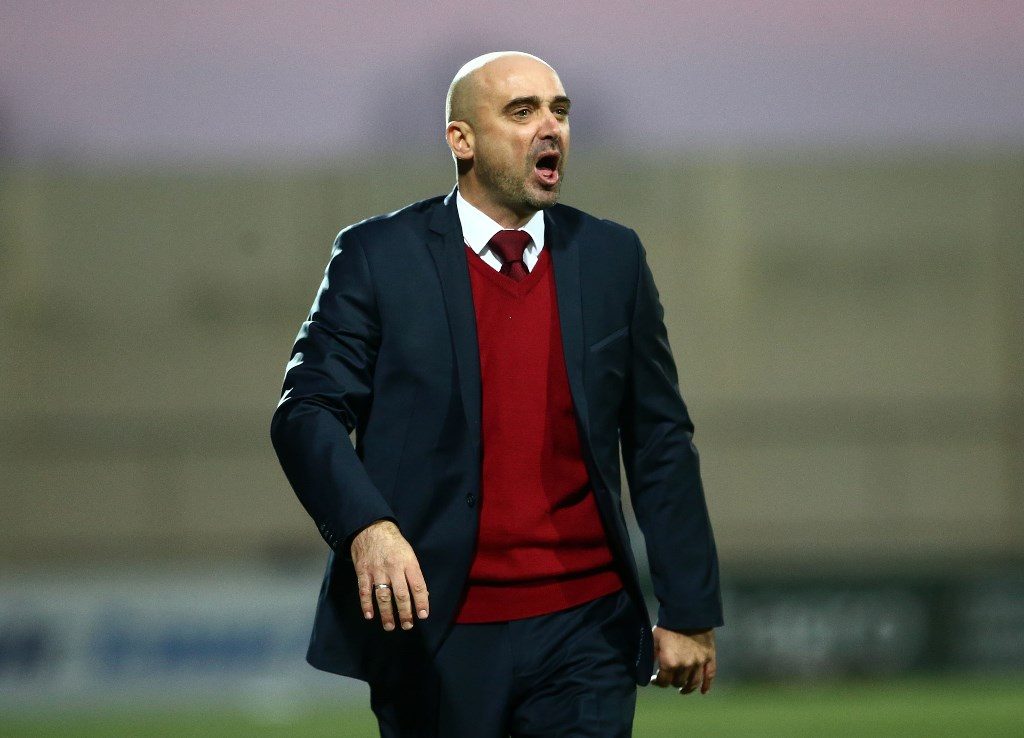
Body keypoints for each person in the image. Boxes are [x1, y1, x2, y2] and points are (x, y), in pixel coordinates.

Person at [270, 51, 723, 737]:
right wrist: (367, 527)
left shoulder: (613, 258)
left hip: (587, 628)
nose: (550, 127)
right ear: (463, 140)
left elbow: (659, 438)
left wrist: (688, 607)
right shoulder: (378, 256)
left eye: (559, 111)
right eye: (522, 111)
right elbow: (307, 411)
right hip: (435, 630)